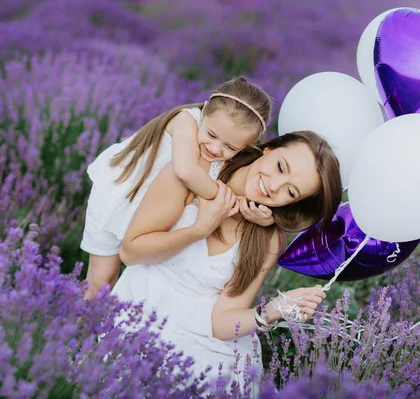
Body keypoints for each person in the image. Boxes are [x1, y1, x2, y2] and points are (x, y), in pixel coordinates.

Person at [112, 126, 343, 389]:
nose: (274, 186)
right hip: (143, 308)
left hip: (206, 340)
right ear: (268, 149)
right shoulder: (193, 171)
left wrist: (275, 308)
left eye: (291, 192)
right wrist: (199, 229)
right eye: (280, 166)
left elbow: (221, 324)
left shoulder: (267, 237)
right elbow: (130, 252)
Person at [81, 76, 276, 299]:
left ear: (245, 148)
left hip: (148, 204)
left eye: (230, 147)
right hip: (117, 192)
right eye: (211, 135)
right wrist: (227, 201)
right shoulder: (186, 120)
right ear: (205, 113)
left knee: (132, 277)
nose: (215, 148)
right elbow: (185, 171)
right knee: (101, 281)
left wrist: (266, 217)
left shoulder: (233, 149)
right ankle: (77, 330)